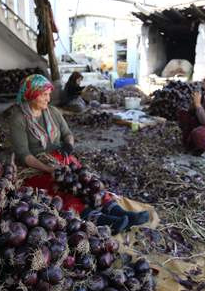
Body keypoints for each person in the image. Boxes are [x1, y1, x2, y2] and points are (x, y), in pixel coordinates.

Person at [10, 74, 148, 234]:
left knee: (87, 181)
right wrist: (49, 170)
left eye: (49, 94)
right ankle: (102, 220)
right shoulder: (18, 119)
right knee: (63, 189)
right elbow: (24, 155)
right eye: (44, 95)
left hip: (61, 158)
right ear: (32, 94)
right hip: (36, 167)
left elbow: (67, 133)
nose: (48, 99)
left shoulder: (53, 112)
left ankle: (119, 212)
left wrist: (68, 144)